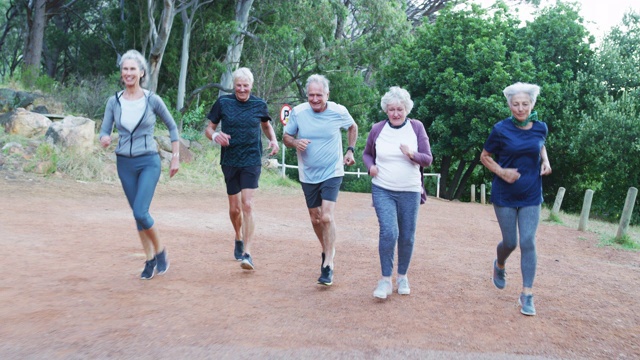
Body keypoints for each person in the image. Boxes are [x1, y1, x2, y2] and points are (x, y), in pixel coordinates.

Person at [99, 49, 179, 280]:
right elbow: (105, 130)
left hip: (149, 161)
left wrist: (175, 157)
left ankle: (161, 250)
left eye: (133, 69)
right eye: (125, 69)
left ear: (142, 72)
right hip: (124, 163)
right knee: (137, 216)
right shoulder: (113, 102)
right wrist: (104, 138)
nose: (128, 73)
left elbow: (172, 127)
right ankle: (149, 259)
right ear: (121, 73)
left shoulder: (153, 100)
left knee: (140, 211)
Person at [480, 82, 552, 316]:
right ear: (509, 105)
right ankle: (499, 264)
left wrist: (545, 161)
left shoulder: (541, 127)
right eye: (515, 104)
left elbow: (539, 145)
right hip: (505, 194)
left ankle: (527, 294)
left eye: (525, 104)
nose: (520, 108)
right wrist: (502, 172)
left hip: (532, 193)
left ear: (532, 105)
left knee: (528, 241)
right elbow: (485, 156)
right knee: (510, 242)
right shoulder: (500, 129)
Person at [283, 74, 358, 286]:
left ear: (327, 94)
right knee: (315, 218)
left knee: (326, 217)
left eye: (319, 95)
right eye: (311, 95)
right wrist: (295, 142)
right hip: (308, 173)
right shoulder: (298, 113)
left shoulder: (338, 111)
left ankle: (328, 264)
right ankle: (327, 250)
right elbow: (286, 137)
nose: (315, 99)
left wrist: (350, 151)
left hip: (332, 170)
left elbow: (353, 127)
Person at [205, 67, 279, 271]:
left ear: (251, 86)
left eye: (245, 86)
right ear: (234, 86)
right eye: (238, 85)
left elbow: (265, 124)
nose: (242, 89)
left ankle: (247, 253)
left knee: (247, 205)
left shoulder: (259, 104)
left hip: (251, 159)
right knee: (234, 209)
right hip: (230, 159)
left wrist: (273, 140)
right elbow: (209, 128)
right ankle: (237, 236)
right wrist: (215, 136)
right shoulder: (223, 102)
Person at [362, 87, 433, 299]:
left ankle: (402, 276)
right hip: (383, 188)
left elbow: (427, 159)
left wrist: (412, 154)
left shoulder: (417, 128)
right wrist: (370, 167)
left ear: (406, 109)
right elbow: (367, 154)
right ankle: (385, 280)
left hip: (410, 190)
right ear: (386, 110)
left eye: (399, 109)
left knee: (407, 236)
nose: (395, 113)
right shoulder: (377, 129)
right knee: (389, 232)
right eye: (391, 109)